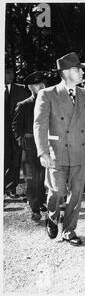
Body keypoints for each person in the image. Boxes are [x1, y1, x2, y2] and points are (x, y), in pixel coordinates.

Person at [34, 52, 85, 246]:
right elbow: (39, 125)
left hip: (81, 152)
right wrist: (43, 151)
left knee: (77, 194)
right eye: (77, 69)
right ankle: (52, 216)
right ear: (65, 72)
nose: (81, 72)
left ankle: (70, 230)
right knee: (56, 191)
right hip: (57, 152)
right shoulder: (47, 94)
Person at [11, 71, 47, 221]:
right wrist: (21, 140)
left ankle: (41, 201)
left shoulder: (49, 103)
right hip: (30, 146)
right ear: (31, 87)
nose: (42, 86)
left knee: (44, 176)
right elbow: (15, 125)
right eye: (38, 84)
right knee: (31, 179)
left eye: (43, 83)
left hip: (46, 145)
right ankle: (35, 208)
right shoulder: (23, 105)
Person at [4, 67, 30, 198]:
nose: (9, 75)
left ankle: (10, 188)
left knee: (14, 159)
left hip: (15, 131)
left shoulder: (21, 89)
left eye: (11, 72)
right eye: (6, 72)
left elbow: (27, 109)